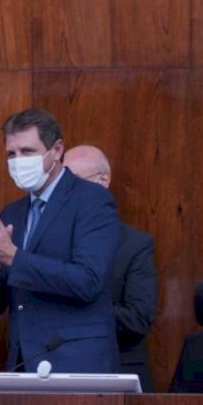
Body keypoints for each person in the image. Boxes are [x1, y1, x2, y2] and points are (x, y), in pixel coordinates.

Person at [0, 109, 119, 374]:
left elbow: (88, 281)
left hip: (77, 362)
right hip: (24, 362)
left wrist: (12, 256)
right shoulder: (12, 213)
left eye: (27, 152)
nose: (18, 161)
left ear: (57, 150)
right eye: (11, 154)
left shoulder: (92, 200)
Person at [64, 145, 158, 391]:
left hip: (117, 377)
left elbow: (137, 319)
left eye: (73, 183)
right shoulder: (50, 239)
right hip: (57, 376)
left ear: (102, 181)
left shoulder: (135, 244)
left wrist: (72, 307)